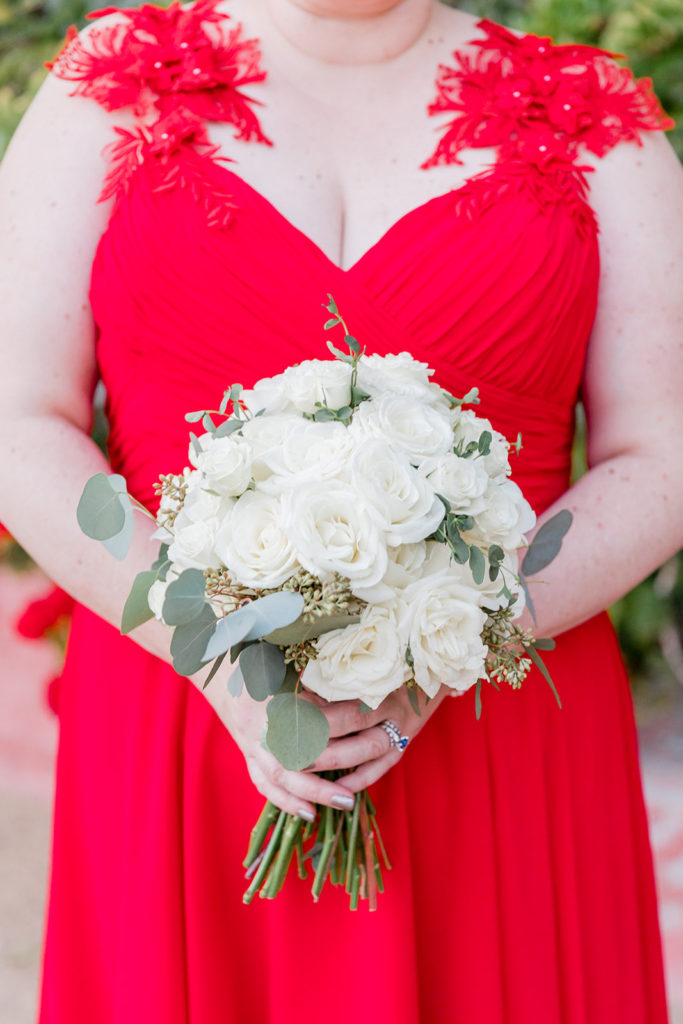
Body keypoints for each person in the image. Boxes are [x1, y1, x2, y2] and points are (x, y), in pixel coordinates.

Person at [1, 0, 681, 1020]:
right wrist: (216, 651)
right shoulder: (115, 84)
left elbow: (658, 455)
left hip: (499, 730)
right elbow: (18, 419)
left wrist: (460, 629)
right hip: (183, 716)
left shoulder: (594, 121)